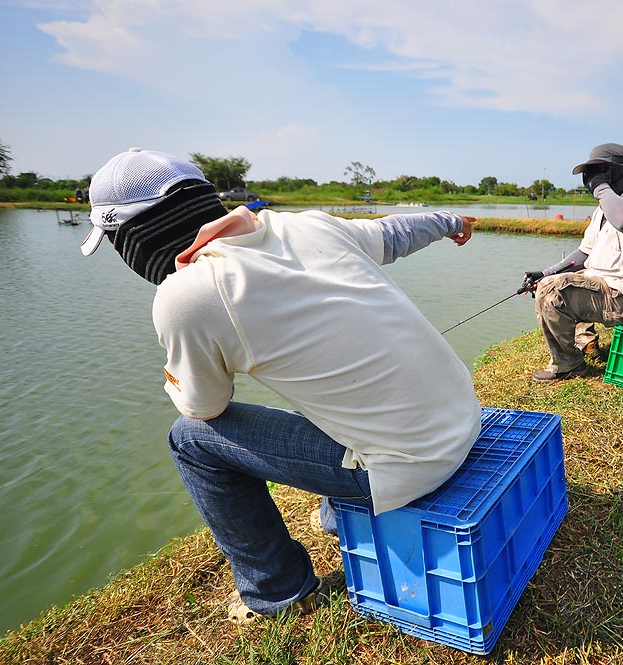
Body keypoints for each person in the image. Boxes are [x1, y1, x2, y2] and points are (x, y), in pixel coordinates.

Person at [79, 148, 482, 623]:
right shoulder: (304, 225)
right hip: (464, 421)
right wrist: (454, 218)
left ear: (134, 237)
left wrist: (184, 338)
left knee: (189, 441)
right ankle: (340, 511)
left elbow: (203, 409)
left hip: (414, 465)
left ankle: (278, 589)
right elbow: (395, 232)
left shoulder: (185, 296)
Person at [523, 143, 623, 382]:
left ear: (614, 170)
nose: (591, 179)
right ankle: (585, 341)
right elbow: (584, 253)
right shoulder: (605, 207)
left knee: (554, 291)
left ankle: (568, 365)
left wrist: (601, 188)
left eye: (597, 171)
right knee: (550, 282)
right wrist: (545, 273)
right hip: (609, 289)